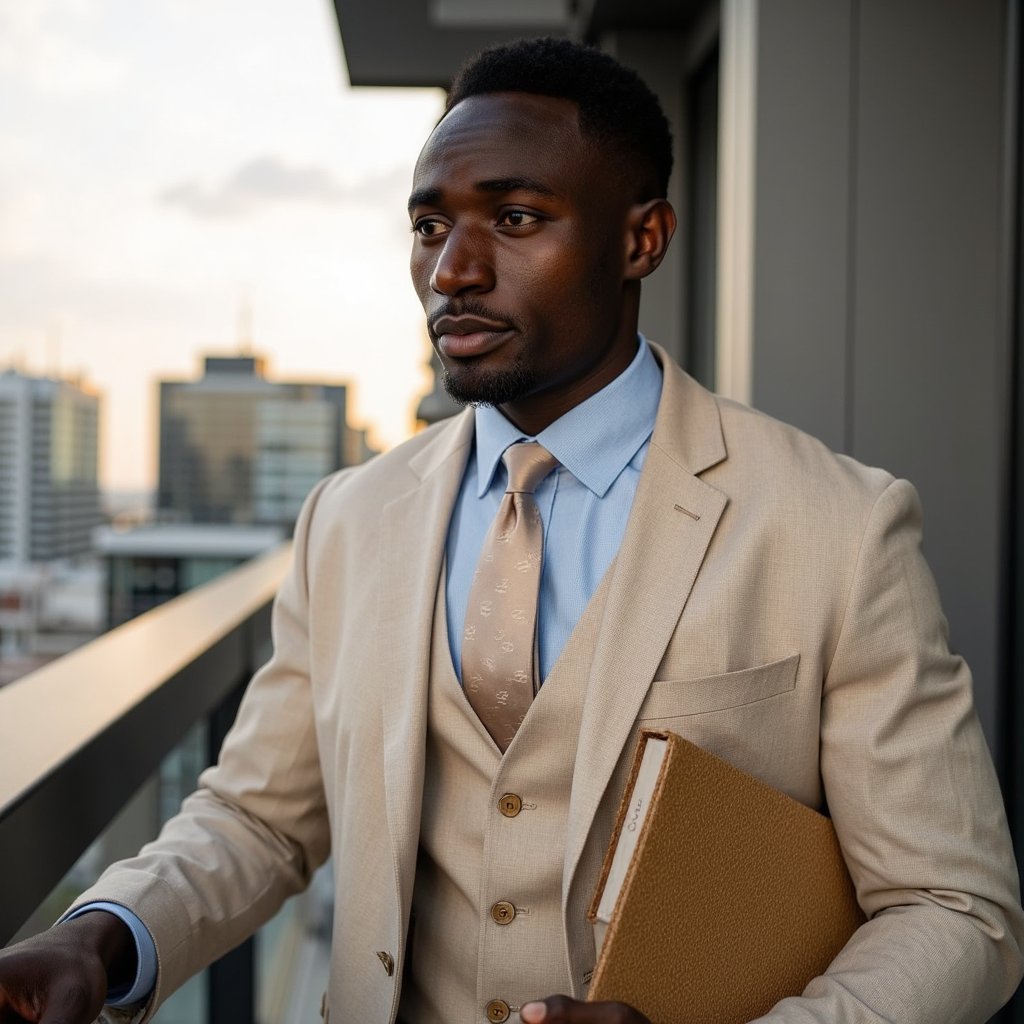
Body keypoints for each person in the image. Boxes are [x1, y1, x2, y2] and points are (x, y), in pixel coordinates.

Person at [1, 36, 1022, 1024]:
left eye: (517, 218)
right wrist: (104, 936)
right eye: (428, 226)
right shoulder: (348, 521)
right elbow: (260, 815)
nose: (452, 270)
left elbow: (954, 909)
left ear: (641, 239)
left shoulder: (836, 527)